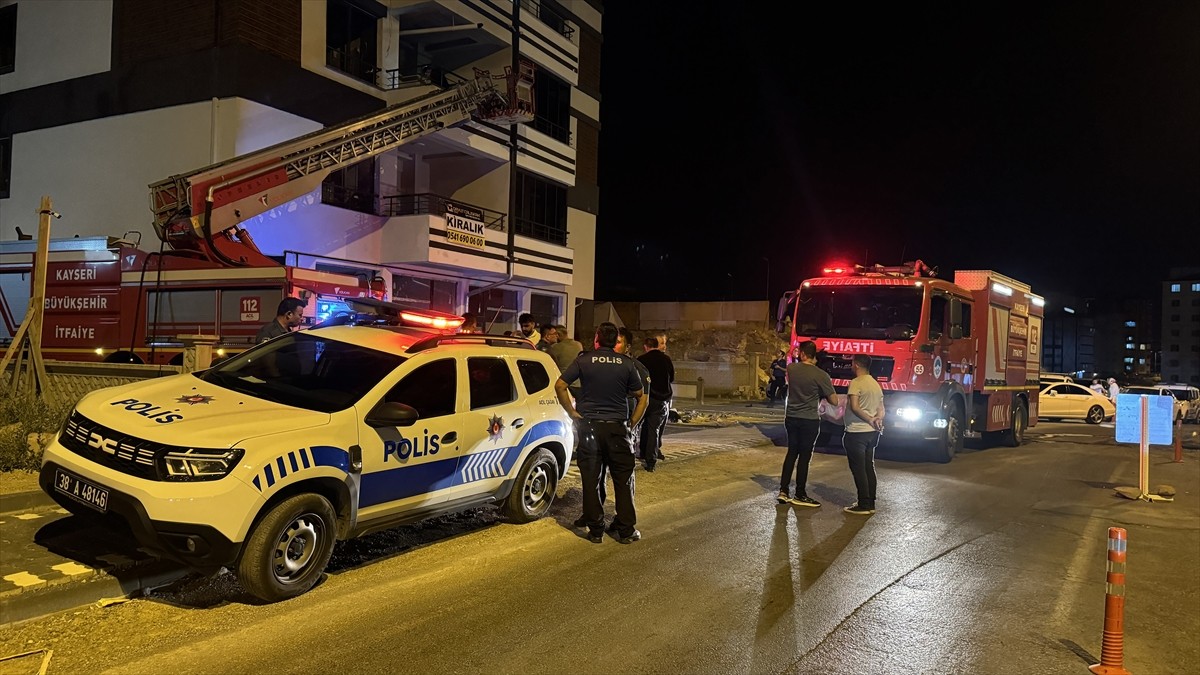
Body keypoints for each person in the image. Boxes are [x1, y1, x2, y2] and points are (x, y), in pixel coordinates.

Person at [555, 322, 647, 544]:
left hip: (590, 428)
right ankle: (625, 530)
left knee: (591, 478)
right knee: (623, 480)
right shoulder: (626, 364)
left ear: (597, 339)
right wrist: (632, 423)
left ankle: (595, 529)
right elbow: (641, 396)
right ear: (616, 340)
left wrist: (574, 414)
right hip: (617, 429)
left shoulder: (584, 360)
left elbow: (560, 385)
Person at [779, 340, 838, 507]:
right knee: (804, 457)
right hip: (809, 420)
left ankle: (783, 491)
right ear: (814, 356)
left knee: (792, 452)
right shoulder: (821, 375)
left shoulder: (792, 369)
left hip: (791, 417)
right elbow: (833, 401)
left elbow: (793, 361)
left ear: (802, 354)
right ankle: (800, 493)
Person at [842, 354, 884, 515]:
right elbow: (881, 407)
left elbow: (855, 406)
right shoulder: (875, 384)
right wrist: (878, 419)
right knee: (868, 466)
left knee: (858, 468)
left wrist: (870, 419)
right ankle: (870, 501)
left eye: (852, 363)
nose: (852, 366)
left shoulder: (856, 383)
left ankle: (863, 504)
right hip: (872, 433)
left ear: (857, 365)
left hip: (856, 431)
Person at [637, 335, 674, 471]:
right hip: (661, 399)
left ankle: (638, 451)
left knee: (636, 426)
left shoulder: (641, 360)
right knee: (654, 429)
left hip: (645, 398)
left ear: (646, 347)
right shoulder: (666, 359)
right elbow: (672, 378)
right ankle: (651, 460)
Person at [618, 327, 652, 459]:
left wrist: (631, 425)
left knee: (624, 462)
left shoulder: (636, 367)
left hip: (625, 423)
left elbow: (643, 400)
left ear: (628, 347)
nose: (614, 346)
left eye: (618, 342)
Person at [548, 324, 583, 397]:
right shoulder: (578, 345)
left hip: (564, 383)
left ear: (558, 335)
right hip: (577, 383)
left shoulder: (555, 347)